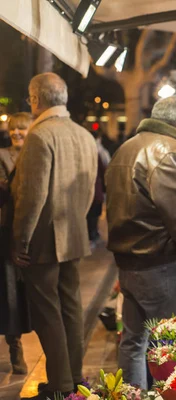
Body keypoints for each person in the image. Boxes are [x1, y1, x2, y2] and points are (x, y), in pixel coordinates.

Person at [105, 97, 176, 389]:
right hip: (163, 264)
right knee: (174, 349)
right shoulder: (170, 152)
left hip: (129, 263)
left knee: (133, 342)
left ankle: (132, 395)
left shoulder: (127, 147)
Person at [12, 73, 98, 399]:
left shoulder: (40, 135)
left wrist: (20, 241)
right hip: (74, 233)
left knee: (48, 313)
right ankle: (73, 378)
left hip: (44, 239)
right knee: (71, 309)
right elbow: (89, 192)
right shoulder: (83, 135)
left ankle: (60, 385)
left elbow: (31, 197)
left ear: (35, 100)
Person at [0, 112, 33, 376]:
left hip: (31, 234)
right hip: (5, 233)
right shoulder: (2, 156)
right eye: (13, 129)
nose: (17, 132)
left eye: (22, 128)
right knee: (9, 294)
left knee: (23, 295)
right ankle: (14, 347)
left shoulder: (36, 153)